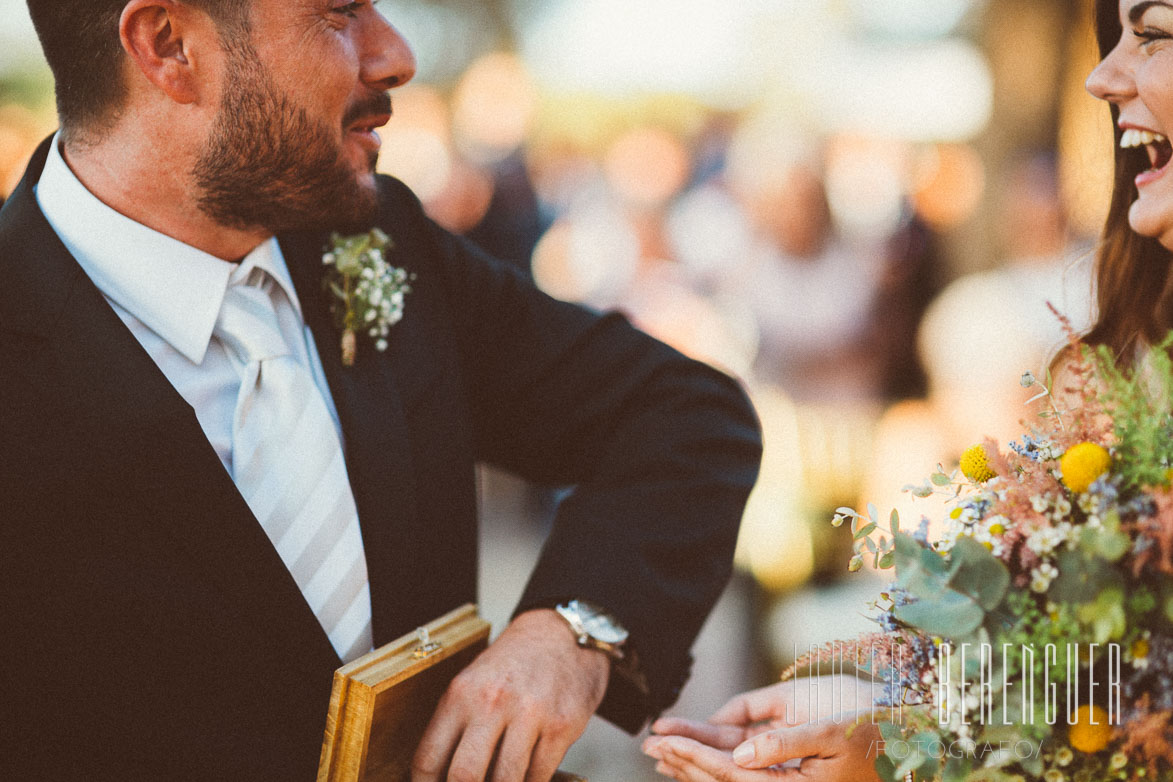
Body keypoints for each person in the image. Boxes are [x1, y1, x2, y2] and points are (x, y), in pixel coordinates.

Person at [0, 2, 762, 780]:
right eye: (337, 12)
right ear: (169, 45)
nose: (395, 54)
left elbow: (683, 412)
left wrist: (573, 633)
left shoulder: (376, 239)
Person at [643, 0, 1173, 780]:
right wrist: (891, 727)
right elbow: (1095, 683)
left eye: (1154, 33)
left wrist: (894, 750)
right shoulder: (1133, 363)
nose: (1100, 76)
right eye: (1113, 37)